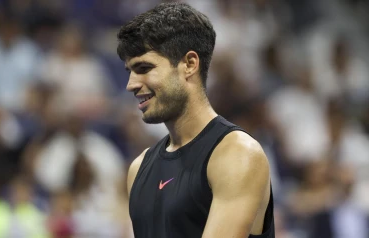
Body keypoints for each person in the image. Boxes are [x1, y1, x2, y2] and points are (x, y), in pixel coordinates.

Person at [117, 2, 274, 238]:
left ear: (189, 64)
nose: (131, 84)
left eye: (144, 68)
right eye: (129, 71)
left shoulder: (237, 154)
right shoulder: (138, 169)